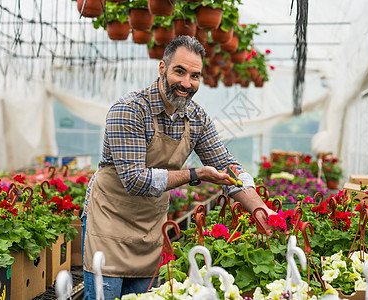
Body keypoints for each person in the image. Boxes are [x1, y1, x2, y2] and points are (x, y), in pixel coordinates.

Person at [82, 36, 275, 300]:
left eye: (195, 76)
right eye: (179, 72)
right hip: (109, 224)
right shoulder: (129, 111)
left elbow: (225, 165)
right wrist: (195, 174)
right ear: (162, 69)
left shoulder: (196, 117)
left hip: (150, 228)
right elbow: (135, 180)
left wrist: (259, 208)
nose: (187, 83)